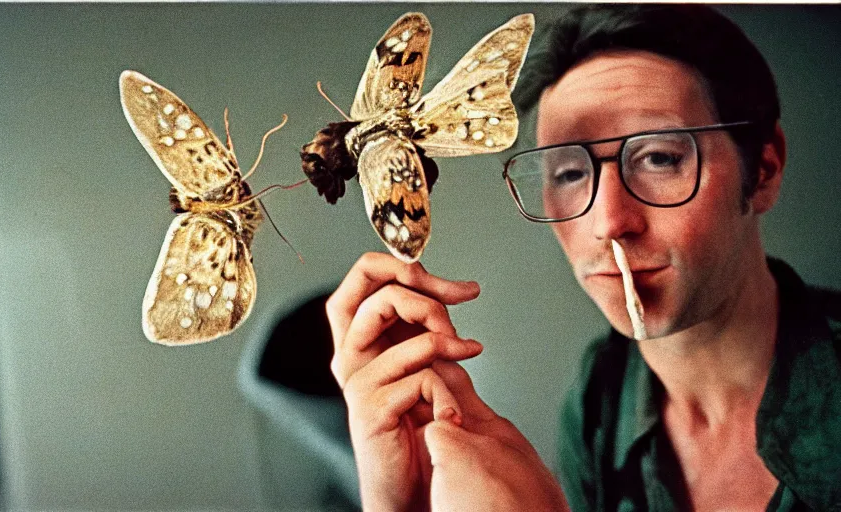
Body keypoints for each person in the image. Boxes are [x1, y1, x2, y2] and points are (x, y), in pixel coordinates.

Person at [325, 4, 840, 511]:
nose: (609, 222)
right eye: (570, 173)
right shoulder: (601, 397)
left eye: (660, 158)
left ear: (765, 171)